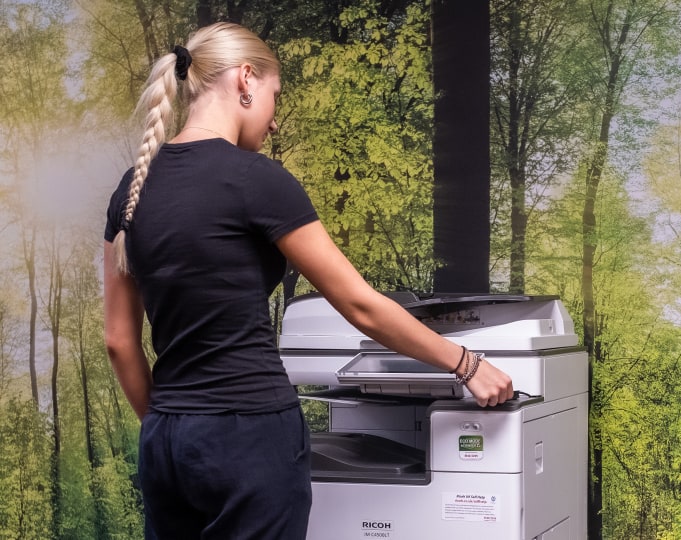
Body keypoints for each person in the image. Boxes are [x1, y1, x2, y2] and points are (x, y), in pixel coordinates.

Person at [103, 22, 514, 540]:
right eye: (275, 96)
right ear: (246, 80)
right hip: (250, 434)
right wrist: (467, 364)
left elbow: (119, 342)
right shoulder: (258, 180)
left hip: (166, 441)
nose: (274, 124)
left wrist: (169, 425)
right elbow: (359, 306)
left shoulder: (131, 189)